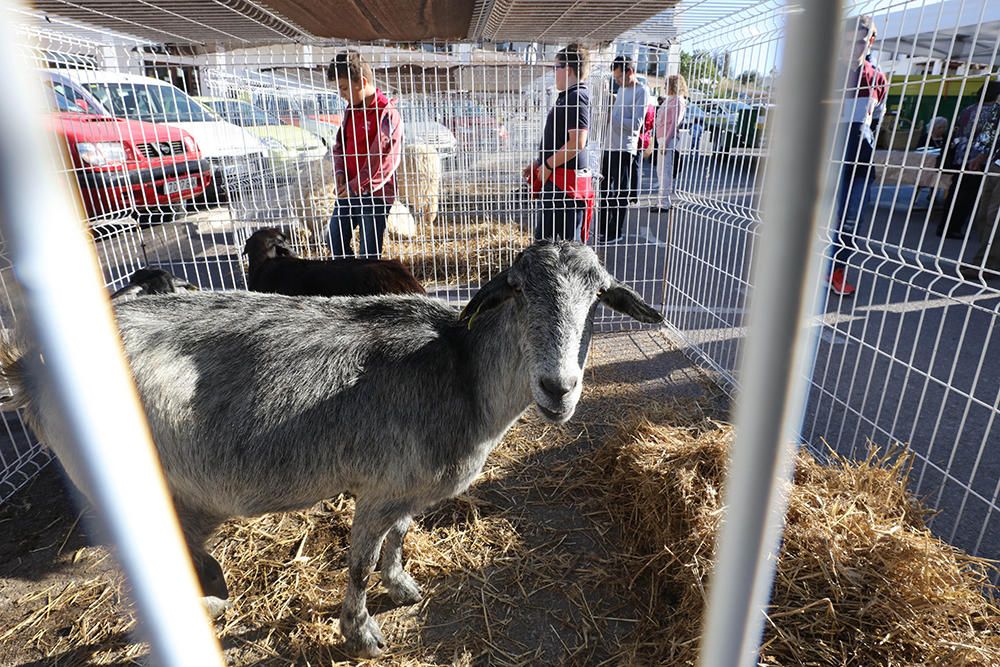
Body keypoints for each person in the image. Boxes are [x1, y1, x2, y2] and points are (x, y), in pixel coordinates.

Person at [828, 15, 888, 297]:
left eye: (860, 42)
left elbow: (875, 120)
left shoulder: (878, 79)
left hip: (860, 163)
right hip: (827, 164)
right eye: (847, 42)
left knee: (851, 222)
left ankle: (836, 271)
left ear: (870, 42)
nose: (853, 47)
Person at [326, 50, 403, 258]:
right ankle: (350, 279)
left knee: (369, 251)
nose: (341, 93)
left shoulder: (386, 114)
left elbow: (384, 161)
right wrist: (341, 171)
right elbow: (340, 145)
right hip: (349, 190)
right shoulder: (351, 110)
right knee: (334, 240)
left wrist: (355, 186)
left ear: (361, 81)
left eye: (343, 87)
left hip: (374, 195)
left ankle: (365, 285)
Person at [523, 43, 595, 242]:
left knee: (566, 251)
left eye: (556, 67)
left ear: (568, 69)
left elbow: (577, 143)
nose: (554, 73)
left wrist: (547, 164)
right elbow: (560, 140)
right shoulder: (567, 97)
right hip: (558, 183)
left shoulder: (576, 97)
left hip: (566, 187)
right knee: (545, 246)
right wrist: (540, 162)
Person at [938, 81, 1000, 240]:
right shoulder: (993, 112)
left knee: (955, 191)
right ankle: (955, 227)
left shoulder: (968, 109)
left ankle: (945, 226)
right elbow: (988, 137)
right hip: (978, 158)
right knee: (968, 195)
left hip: (960, 154)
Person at [600, 55, 650, 243]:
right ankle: (604, 228)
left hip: (624, 148)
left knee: (620, 191)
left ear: (630, 71)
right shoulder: (621, 89)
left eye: (620, 77)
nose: (618, 81)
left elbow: (636, 124)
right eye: (616, 78)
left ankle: (616, 231)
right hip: (610, 145)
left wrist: (613, 119)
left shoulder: (641, 91)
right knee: (605, 190)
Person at [959, 82, 1000, 282]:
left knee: (994, 217)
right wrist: (982, 153)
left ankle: (987, 263)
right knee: (983, 215)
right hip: (996, 162)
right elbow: (993, 124)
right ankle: (984, 260)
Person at [654, 74, 688, 213]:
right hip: (662, 138)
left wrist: (666, 142)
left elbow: (674, 124)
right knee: (660, 171)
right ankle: (661, 201)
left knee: (665, 171)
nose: (665, 87)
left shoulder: (678, 101)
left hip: (667, 139)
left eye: (667, 85)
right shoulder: (670, 100)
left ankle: (664, 203)